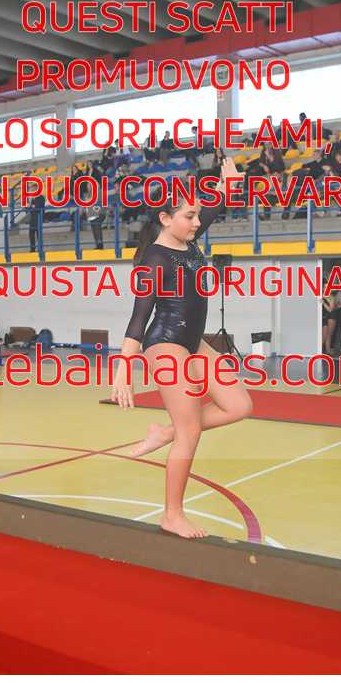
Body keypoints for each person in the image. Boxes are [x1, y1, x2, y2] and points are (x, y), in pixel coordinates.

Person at [111, 158, 252, 539]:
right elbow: (138, 319)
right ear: (165, 218)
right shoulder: (155, 260)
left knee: (239, 405)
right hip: (166, 345)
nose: (196, 222)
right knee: (190, 432)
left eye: (196, 216)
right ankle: (172, 514)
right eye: (189, 216)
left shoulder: (187, 237)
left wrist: (227, 184)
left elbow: (215, 208)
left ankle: (164, 432)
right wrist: (123, 369)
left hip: (194, 343)